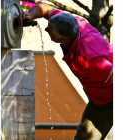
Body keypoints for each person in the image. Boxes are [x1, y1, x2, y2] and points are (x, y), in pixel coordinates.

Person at [18, 3, 113, 140]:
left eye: (49, 30)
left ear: (60, 40)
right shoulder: (71, 23)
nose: (45, 29)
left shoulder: (88, 59)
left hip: (109, 99)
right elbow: (44, 8)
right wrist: (30, 15)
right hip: (99, 99)